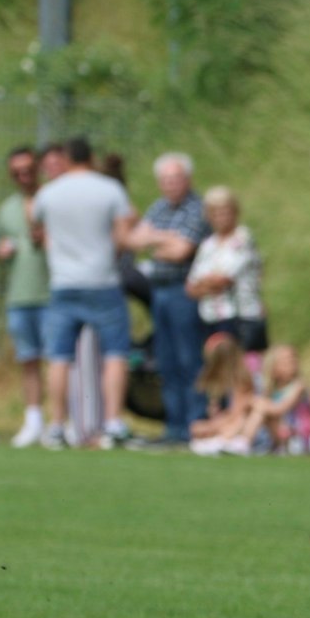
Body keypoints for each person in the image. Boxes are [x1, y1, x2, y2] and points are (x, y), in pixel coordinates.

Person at [32, 137, 138, 449]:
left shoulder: (49, 193)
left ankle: (56, 425)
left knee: (59, 357)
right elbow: (123, 236)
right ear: (91, 157)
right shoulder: (109, 189)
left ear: (66, 157)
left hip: (63, 283)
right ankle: (114, 422)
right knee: (115, 354)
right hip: (102, 282)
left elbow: (35, 225)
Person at [129, 153, 208, 446]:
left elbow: (181, 252)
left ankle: (194, 423)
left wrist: (154, 239)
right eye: (165, 180)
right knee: (166, 359)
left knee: (190, 358)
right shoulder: (159, 207)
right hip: (159, 291)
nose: (170, 185)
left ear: (187, 180)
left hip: (184, 291)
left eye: (175, 179)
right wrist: (166, 239)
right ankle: (174, 426)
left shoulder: (197, 208)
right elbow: (135, 240)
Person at [0, 147, 52, 447]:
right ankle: (33, 421)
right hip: (20, 297)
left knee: (57, 361)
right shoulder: (6, 209)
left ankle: (59, 421)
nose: (24, 176)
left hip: (52, 295)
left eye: (28, 169)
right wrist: (1, 252)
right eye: (17, 172)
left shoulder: (53, 201)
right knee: (28, 360)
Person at [187, 186, 265, 354]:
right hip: (211, 316)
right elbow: (190, 287)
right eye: (215, 213)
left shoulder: (242, 238)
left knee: (244, 368)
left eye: (225, 212)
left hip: (241, 316)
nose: (220, 218)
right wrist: (207, 284)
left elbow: (224, 279)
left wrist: (203, 284)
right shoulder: (208, 245)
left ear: (235, 212)